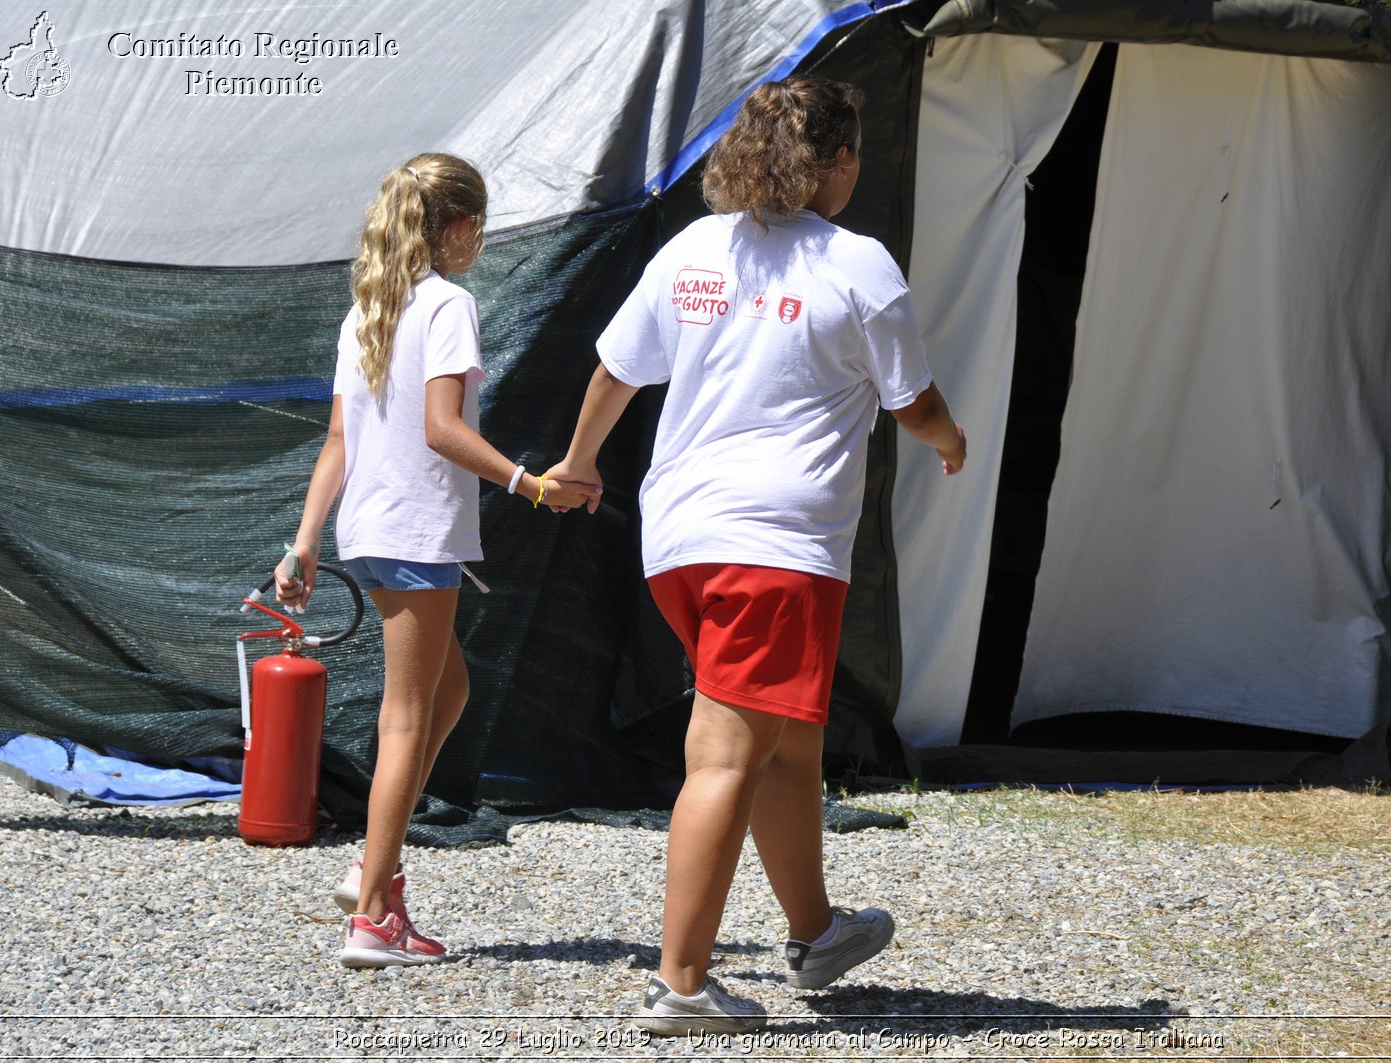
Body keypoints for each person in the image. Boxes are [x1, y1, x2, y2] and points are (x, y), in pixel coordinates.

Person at [544, 77, 966, 1033]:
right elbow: (915, 400)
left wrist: (576, 462)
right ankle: (681, 984)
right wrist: (950, 442)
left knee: (787, 742)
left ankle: (817, 931)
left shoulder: (694, 249)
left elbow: (617, 368)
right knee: (728, 755)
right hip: (776, 549)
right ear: (841, 162)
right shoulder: (860, 266)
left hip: (681, 542)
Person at [275, 152, 599, 968]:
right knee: (408, 715)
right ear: (457, 228)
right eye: (478, 227)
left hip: (370, 531)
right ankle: (374, 915)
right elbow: (441, 430)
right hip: (418, 533)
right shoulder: (449, 304)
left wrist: (307, 539)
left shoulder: (367, 312)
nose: (479, 242)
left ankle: (371, 868)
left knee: (446, 688)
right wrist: (534, 484)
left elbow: (339, 444)